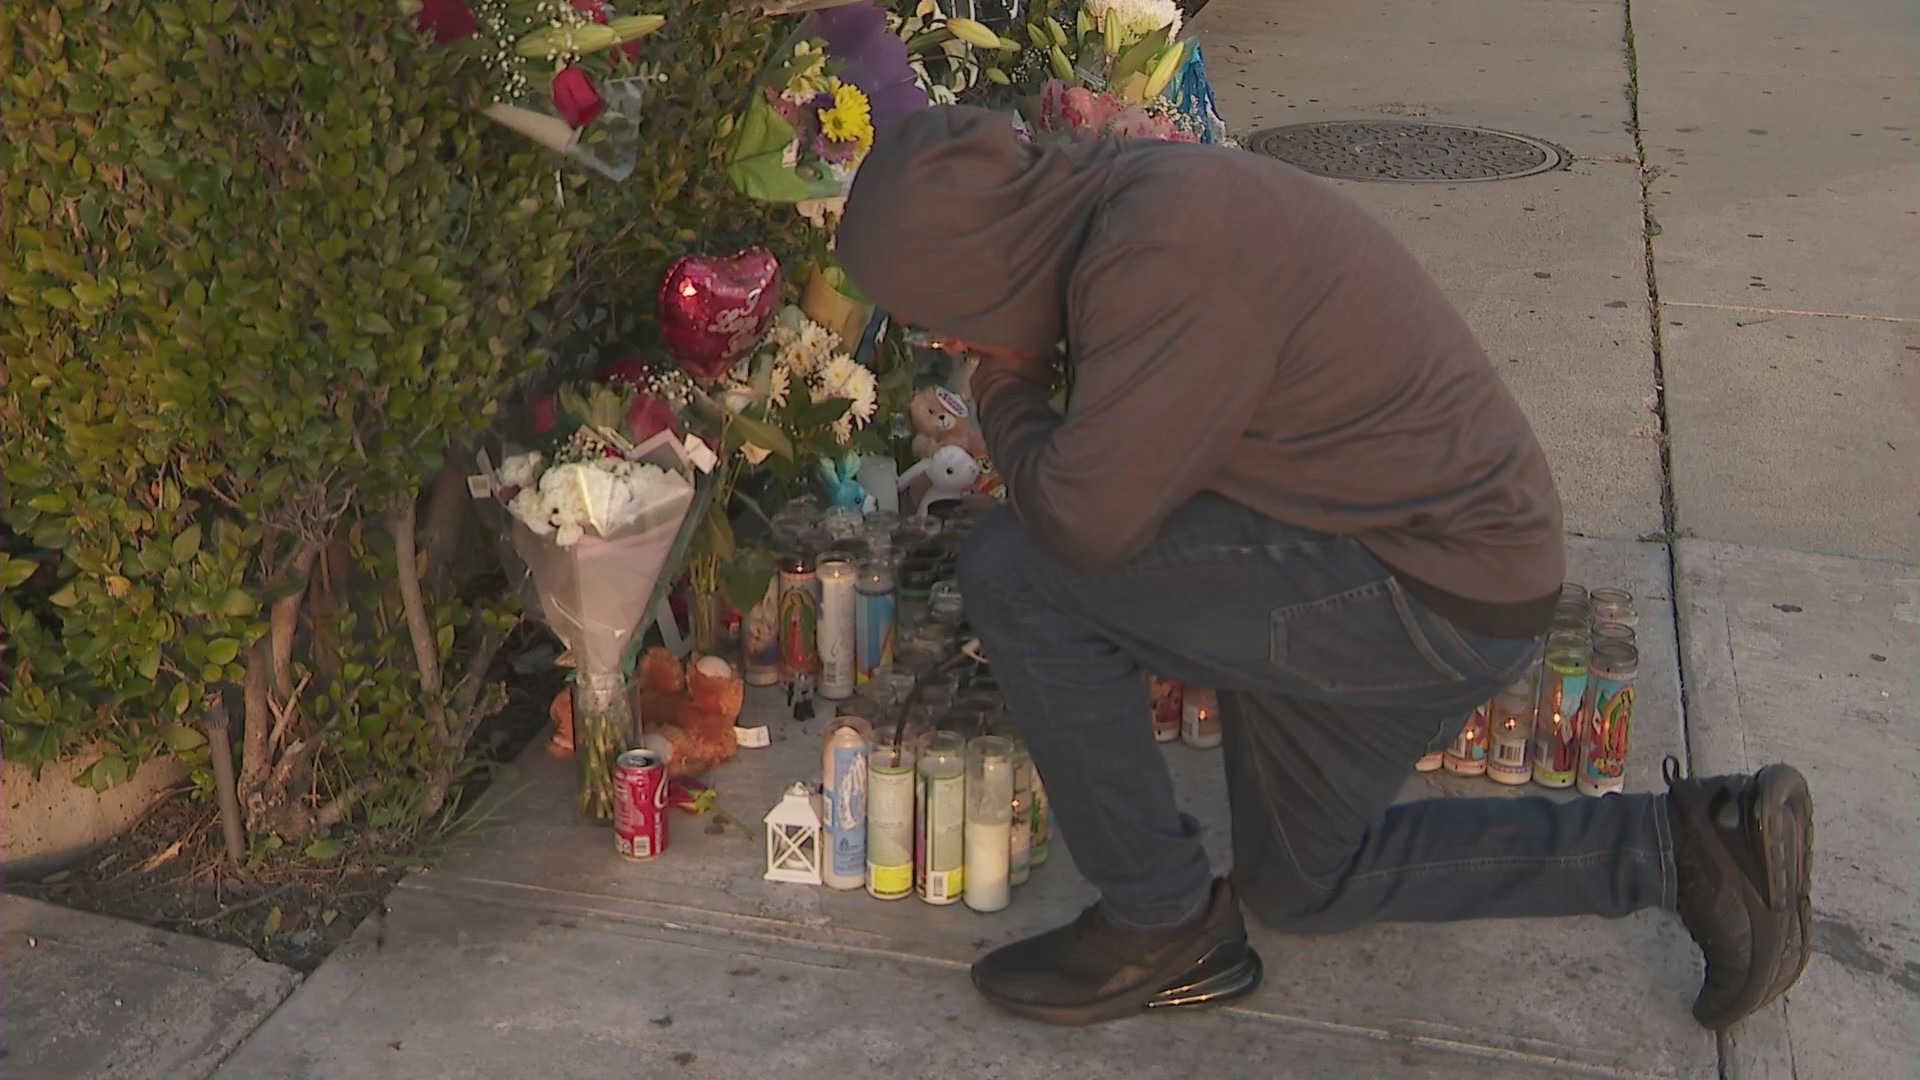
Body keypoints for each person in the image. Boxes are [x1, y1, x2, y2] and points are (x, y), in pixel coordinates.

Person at [834, 106, 1814, 1030]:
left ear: (974, 268)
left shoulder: (1165, 250)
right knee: (1304, 883)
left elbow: (1088, 526)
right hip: (1395, 557)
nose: (948, 344)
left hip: (1420, 590)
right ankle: (1693, 852)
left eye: (942, 318)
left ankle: (1157, 921)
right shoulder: (1115, 211)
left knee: (1018, 565)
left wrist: (1004, 379)